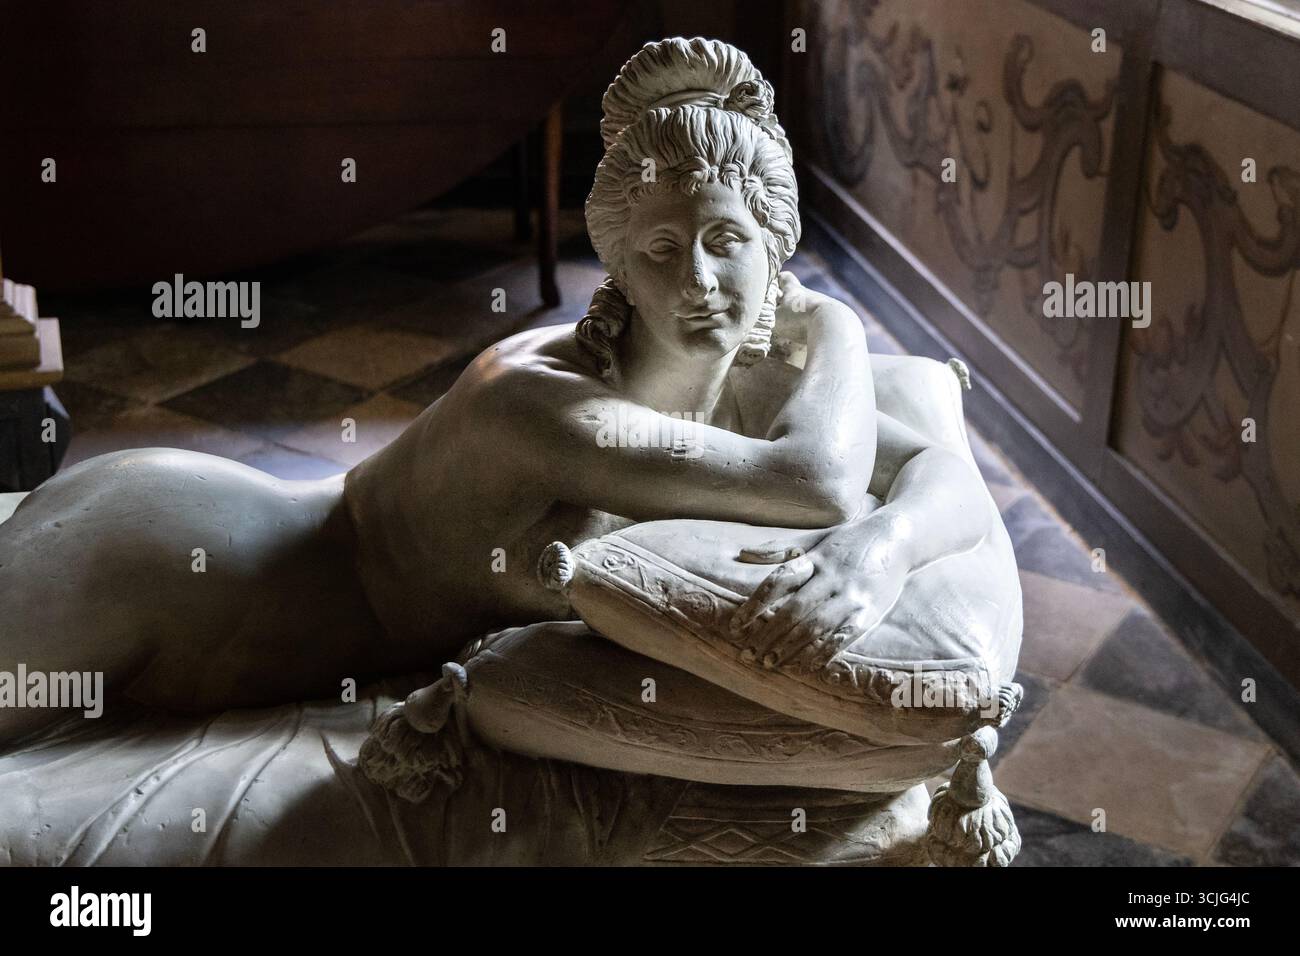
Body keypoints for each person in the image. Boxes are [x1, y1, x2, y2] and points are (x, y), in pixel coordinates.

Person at [0, 38, 990, 746]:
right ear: (619, 268)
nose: (698, 280)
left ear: (773, 247)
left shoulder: (755, 363)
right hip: (163, 559)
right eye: (662, 248)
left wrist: (885, 545)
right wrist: (839, 326)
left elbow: (935, 466)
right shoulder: (540, 398)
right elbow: (816, 479)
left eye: (728, 240)